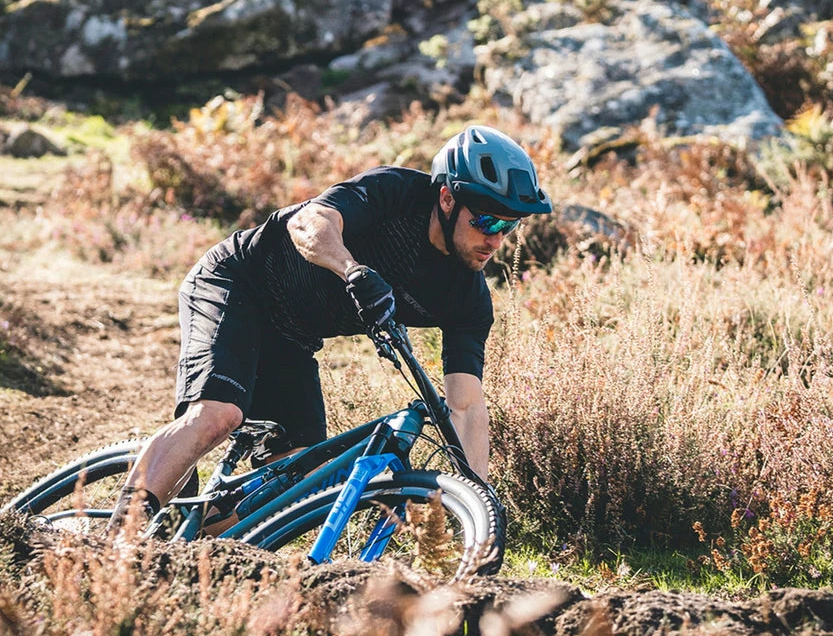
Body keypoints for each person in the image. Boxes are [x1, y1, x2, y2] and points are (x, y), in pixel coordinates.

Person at [110, 124, 551, 526]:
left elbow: (467, 407)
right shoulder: (396, 193)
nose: (494, 240)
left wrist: (476, 502)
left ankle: (190, 539)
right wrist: (352, 270)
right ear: (448, 199)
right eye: (486, 220)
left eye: (508, 226)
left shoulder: (468, 300)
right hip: (237, 283)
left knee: (297, 483)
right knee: (219, 415)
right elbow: (309, 220)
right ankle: (117, 536)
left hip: (292, 338)